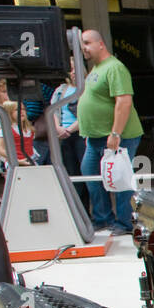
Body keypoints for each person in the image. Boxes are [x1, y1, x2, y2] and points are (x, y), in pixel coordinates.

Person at [78, 29, 143, 233]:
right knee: (90, 173)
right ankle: (103, 218)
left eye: (87, 43)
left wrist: (115, 133)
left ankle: (125, 222)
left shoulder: (115, 68)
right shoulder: (97, 69)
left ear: (101, 44)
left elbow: (123, 101)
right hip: (96, 137)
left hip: (119, 136)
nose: (84, 48)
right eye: (82, 44)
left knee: (120, 178)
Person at [50, 69, 88, 209]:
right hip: (64, 136)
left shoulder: (87, 89)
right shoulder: (60, 90)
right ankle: (79, 211)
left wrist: (69, 130)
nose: (73, 72)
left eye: (75, 68)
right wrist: (58, 128)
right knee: (72, 174)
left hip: (81, 134)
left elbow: (88, 113)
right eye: (70, 69)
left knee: (87, 174)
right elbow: (53, 110)